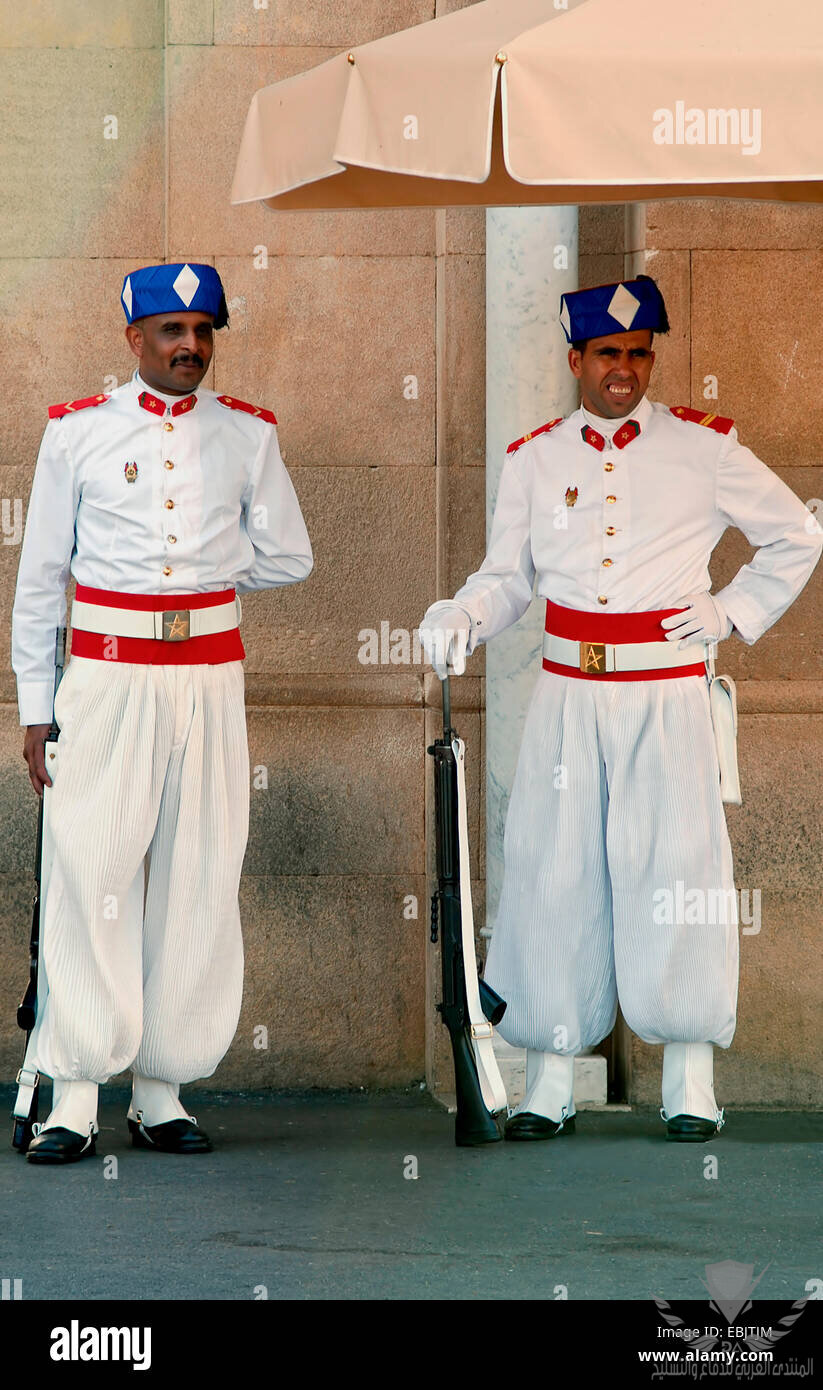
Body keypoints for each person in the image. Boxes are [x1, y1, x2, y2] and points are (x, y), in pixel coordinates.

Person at [420, 276, 822, 1142]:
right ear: (576, 360)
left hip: (666, 691)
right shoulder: (534, 455)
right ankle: (550, 1081)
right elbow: (508, 579)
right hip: (568, 693)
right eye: (608, 353)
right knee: (552, 870)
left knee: (677, 871)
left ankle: (688, 1079)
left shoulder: (704, 447)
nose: (624, 369)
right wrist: (460, 614)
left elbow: (797, 532)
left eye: (639, 353)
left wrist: (730, 612)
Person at [11, 262, 313, 1163]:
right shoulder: (76, 434)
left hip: (210, 679)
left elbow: (288, 555)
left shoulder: (247, 435)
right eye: (172, 331)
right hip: (104, 680)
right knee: (92, 868)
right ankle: (71, 1096)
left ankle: (161, 1089)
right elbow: (39, 585)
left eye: (203, 331)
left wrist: (207, 580)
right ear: (133, 338)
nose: (191, 347)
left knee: (198, 873)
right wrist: (35, 706)